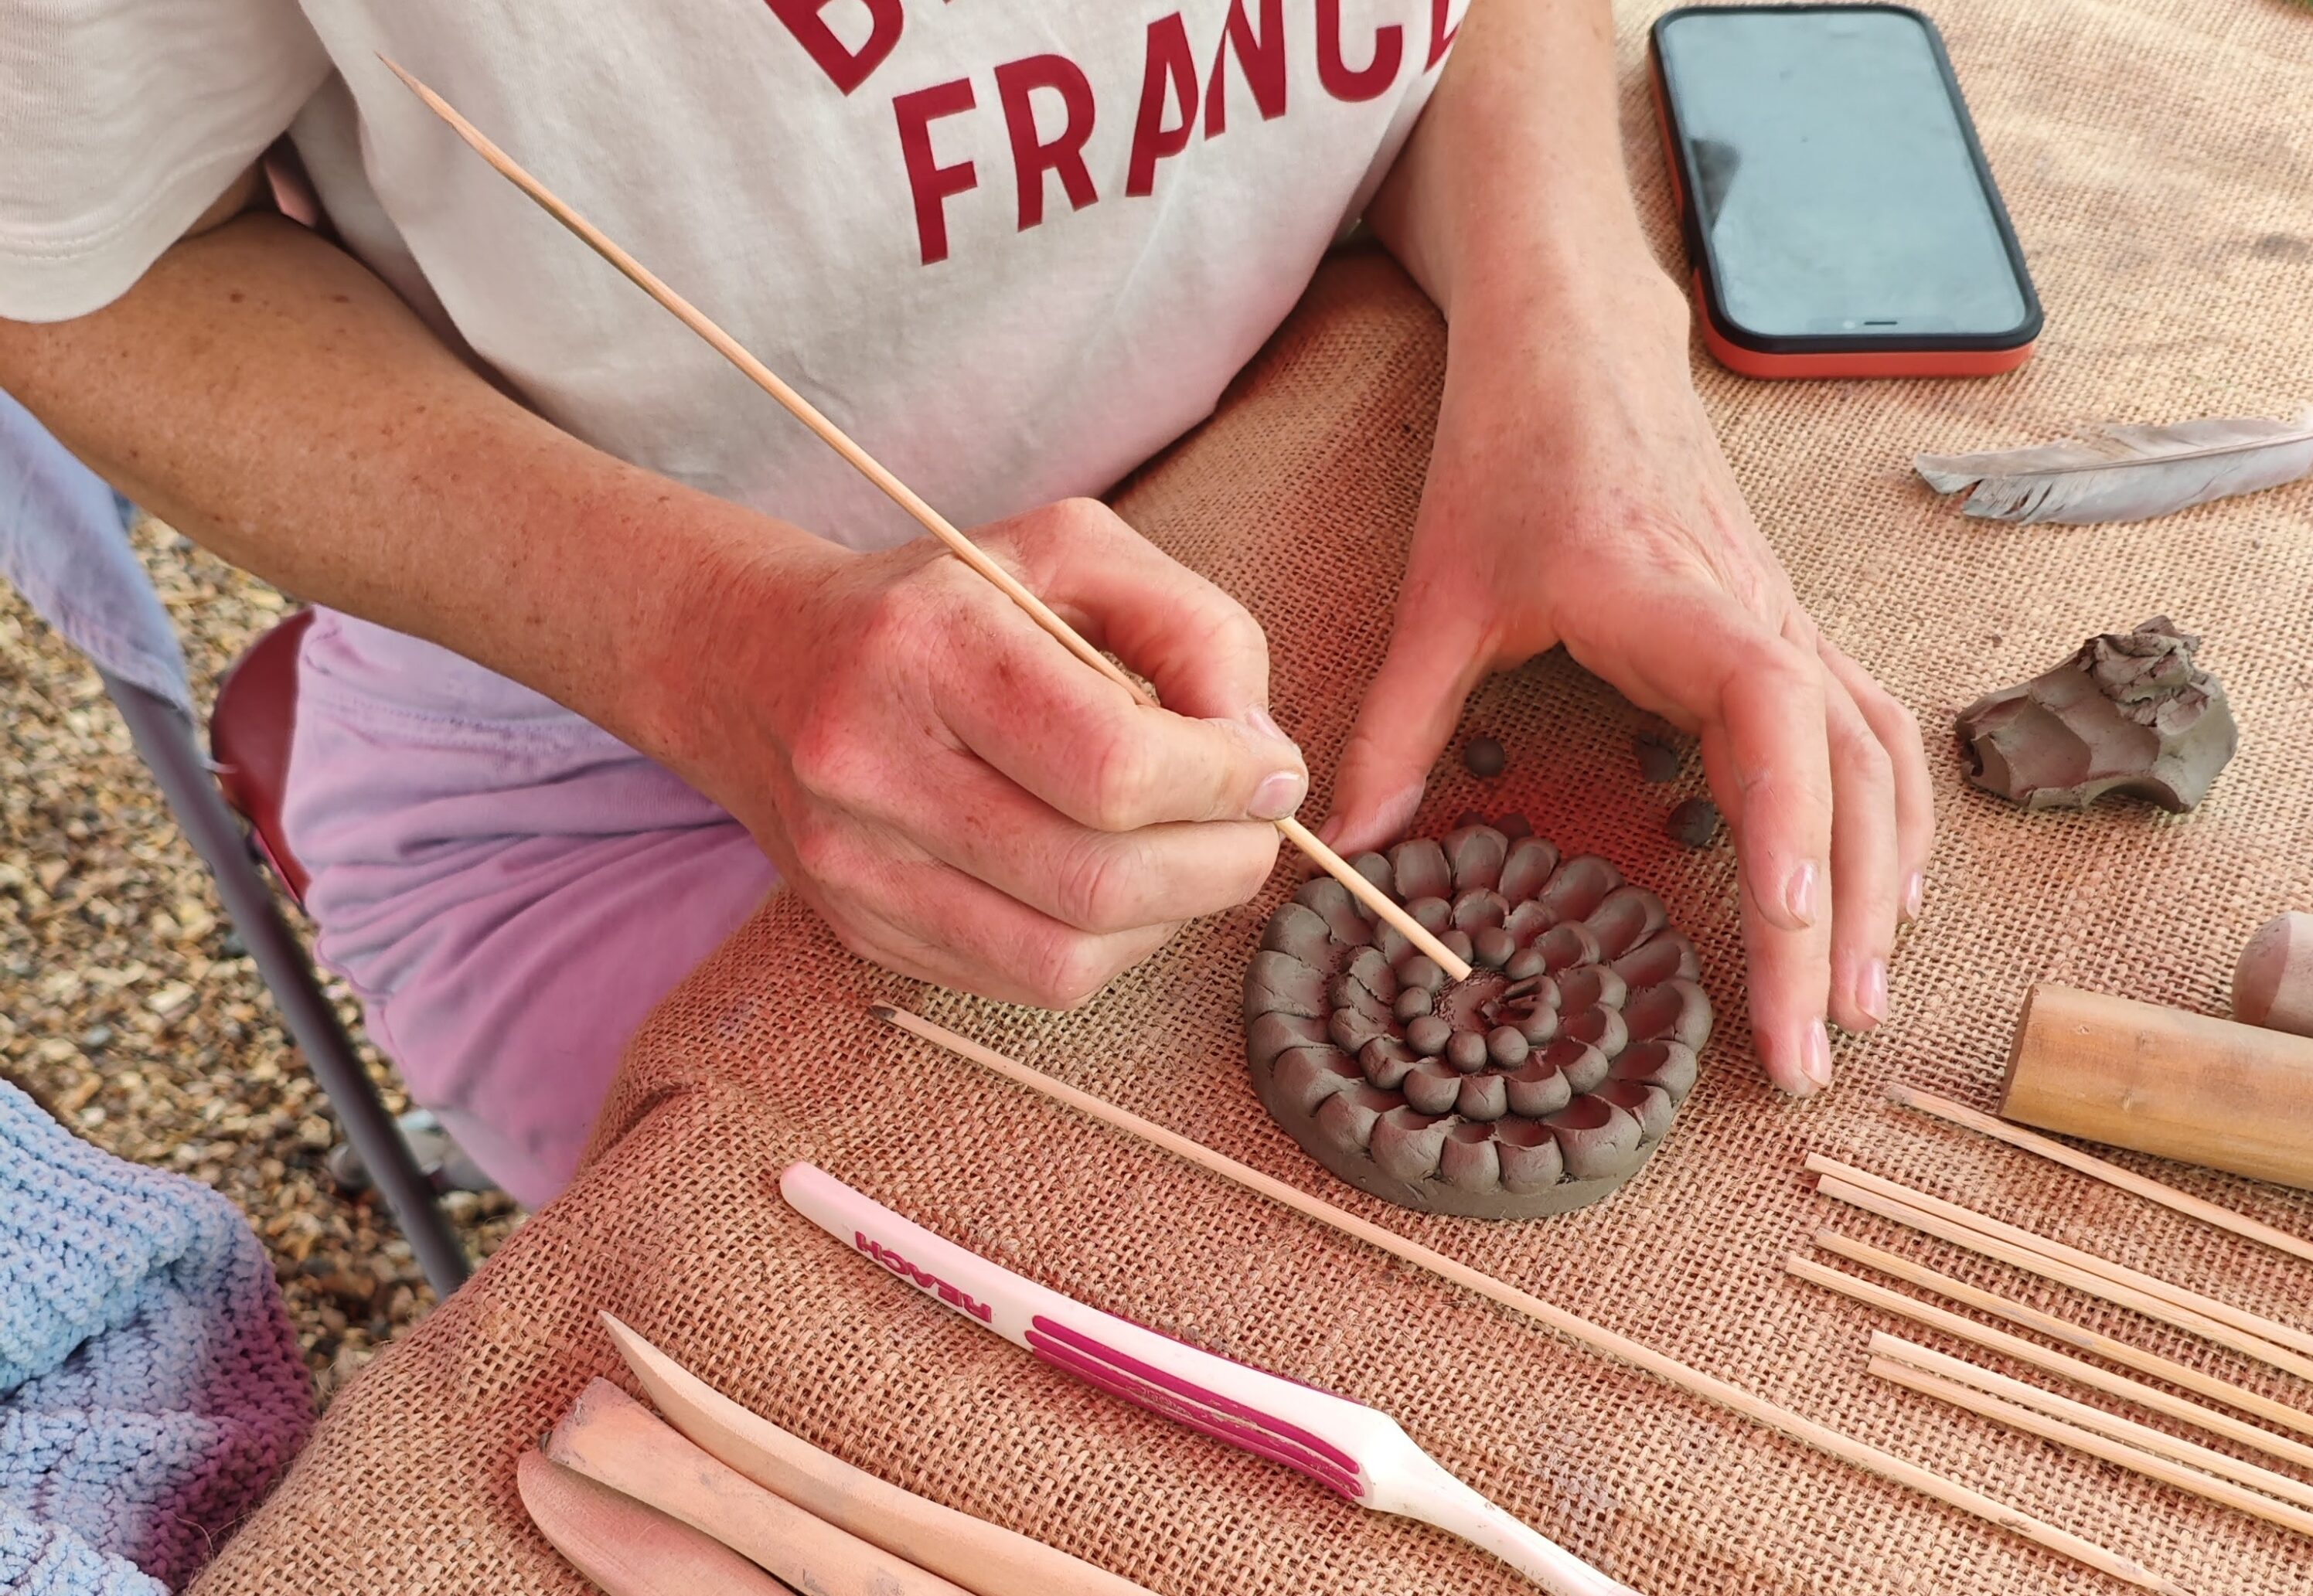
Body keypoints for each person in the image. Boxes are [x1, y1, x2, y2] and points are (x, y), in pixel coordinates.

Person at [0, 0, 1931, 1204]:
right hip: (610, 751)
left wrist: (1583, 329)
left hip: (1318, 418)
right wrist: (704, 641)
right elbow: (73, 269)